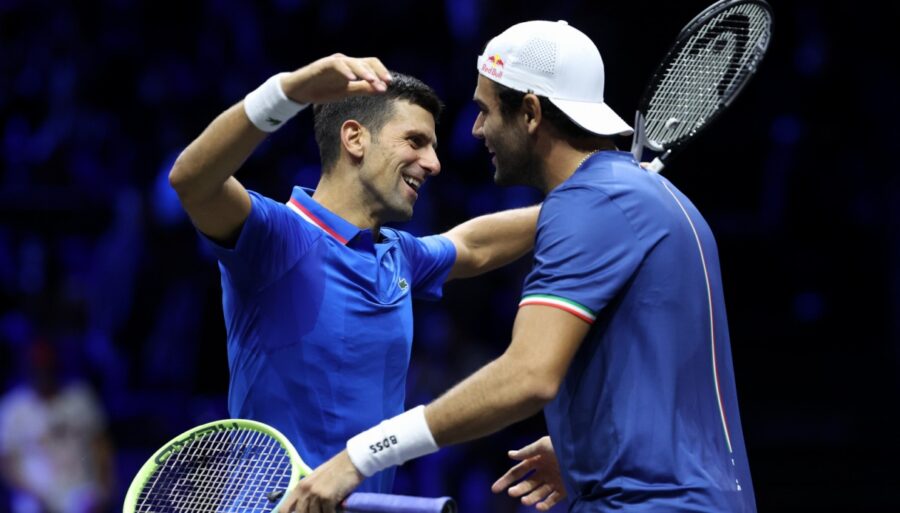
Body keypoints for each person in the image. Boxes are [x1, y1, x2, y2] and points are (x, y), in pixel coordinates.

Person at [284, 21, 756, 513]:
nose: (476, 130)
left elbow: (528, 374)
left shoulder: (590, 206)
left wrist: (361, 456)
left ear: (530, 113)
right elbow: (658, 381)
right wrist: (584, 449)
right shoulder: (646, 199)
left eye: (485, 110)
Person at [168, 54, 538, 494]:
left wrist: (594, 199)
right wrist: (289, 92)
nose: (434, 163)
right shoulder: (276, 236)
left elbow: (474, 245)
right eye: (416, 141)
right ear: (354, 139)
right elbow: (191, 180)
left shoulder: (397, 255)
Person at [0, 338, 114, 513]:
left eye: (47, 367)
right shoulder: (12, 406)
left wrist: (105, 487)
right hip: (35, 492)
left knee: (88, 504)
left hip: (80, 487)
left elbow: (101, 445)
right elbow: (6, 461)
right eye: (37, 368)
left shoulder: (80, 397)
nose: (43, 374)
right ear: (28, 369)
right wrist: (31, 492)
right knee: (28, 508)